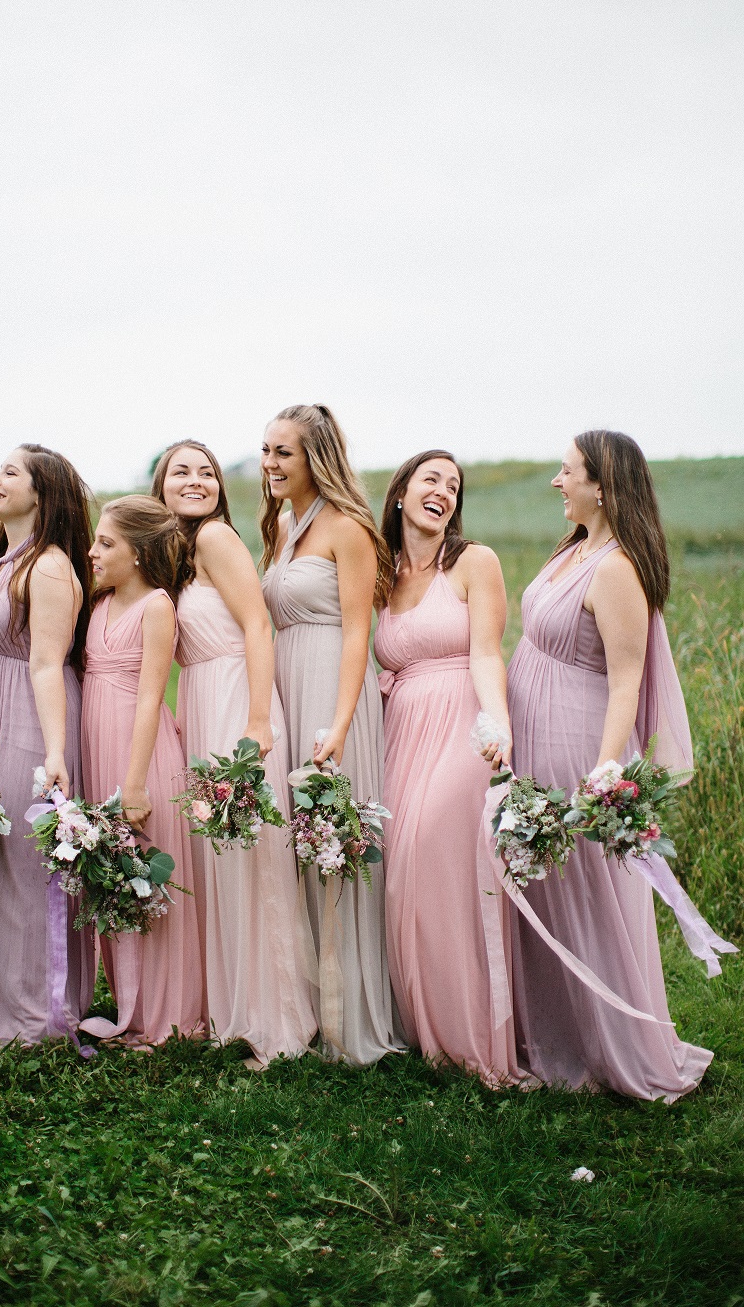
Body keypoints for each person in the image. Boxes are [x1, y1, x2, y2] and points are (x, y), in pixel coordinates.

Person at [506, 430, 711, 1100]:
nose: (556, 482)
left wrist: (604, 770)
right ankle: (556, 1035)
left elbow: (627, 679)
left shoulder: (617, 567)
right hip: (534, 734)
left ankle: (612, 1046)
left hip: (577, 739)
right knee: (544, 884)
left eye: (567, 472)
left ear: (602, 485)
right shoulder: (574, 550)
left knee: (586, 890)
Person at [153, 440, 316, 1065]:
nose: (195, 481)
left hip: (235, 702)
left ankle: (280, 1027)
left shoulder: (217, 540)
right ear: (160, 486)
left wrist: (256, 720)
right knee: (225, 860)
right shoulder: (180, 551)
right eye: (180, 472)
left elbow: (256, 625)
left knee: (255, 862)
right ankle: (239, 1009)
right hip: (201, 699)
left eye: (205, 472)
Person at [375, 450, 527, 1084]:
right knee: (401, 874)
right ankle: (423, 1030)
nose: (443, 491)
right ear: (403, 493)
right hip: (402, 732)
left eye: (454, 486)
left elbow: (488, 654)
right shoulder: (380, 576)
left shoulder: (473, 562)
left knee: (432, 854)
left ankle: (473, 1037)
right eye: (431, 479)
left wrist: (498, 728)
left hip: (464, 723)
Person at [260, 403, 399, 1064]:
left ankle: (352, 1014)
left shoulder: (348, 528)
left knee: (332, 840)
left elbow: (356, 633)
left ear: (316, 457)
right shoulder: (286, 525)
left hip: (331, 689)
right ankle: (308, 1004)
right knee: (296, 843)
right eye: (265, 451)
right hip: (289, 682)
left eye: (282, 452)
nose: (269, 463)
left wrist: (339, 723)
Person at [0, 444, 96, 1046]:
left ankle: (40, 1015)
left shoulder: (45, 566)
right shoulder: (5, 558)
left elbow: (46, 663)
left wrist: (55, 752)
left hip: (30, 717)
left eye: (9, 473)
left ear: (41, 493)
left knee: (26, 858)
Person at [78, 496, 203, 1047]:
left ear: (140, 552)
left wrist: (134, 782)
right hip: (96, 742)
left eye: (107, 543)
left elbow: (153, 697)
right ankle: (129, 1002)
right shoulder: (98, 602)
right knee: (113, 873)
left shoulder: (156, 606)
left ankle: (166, 1014)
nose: (93, 551)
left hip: (140, 750)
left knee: (147, 871)